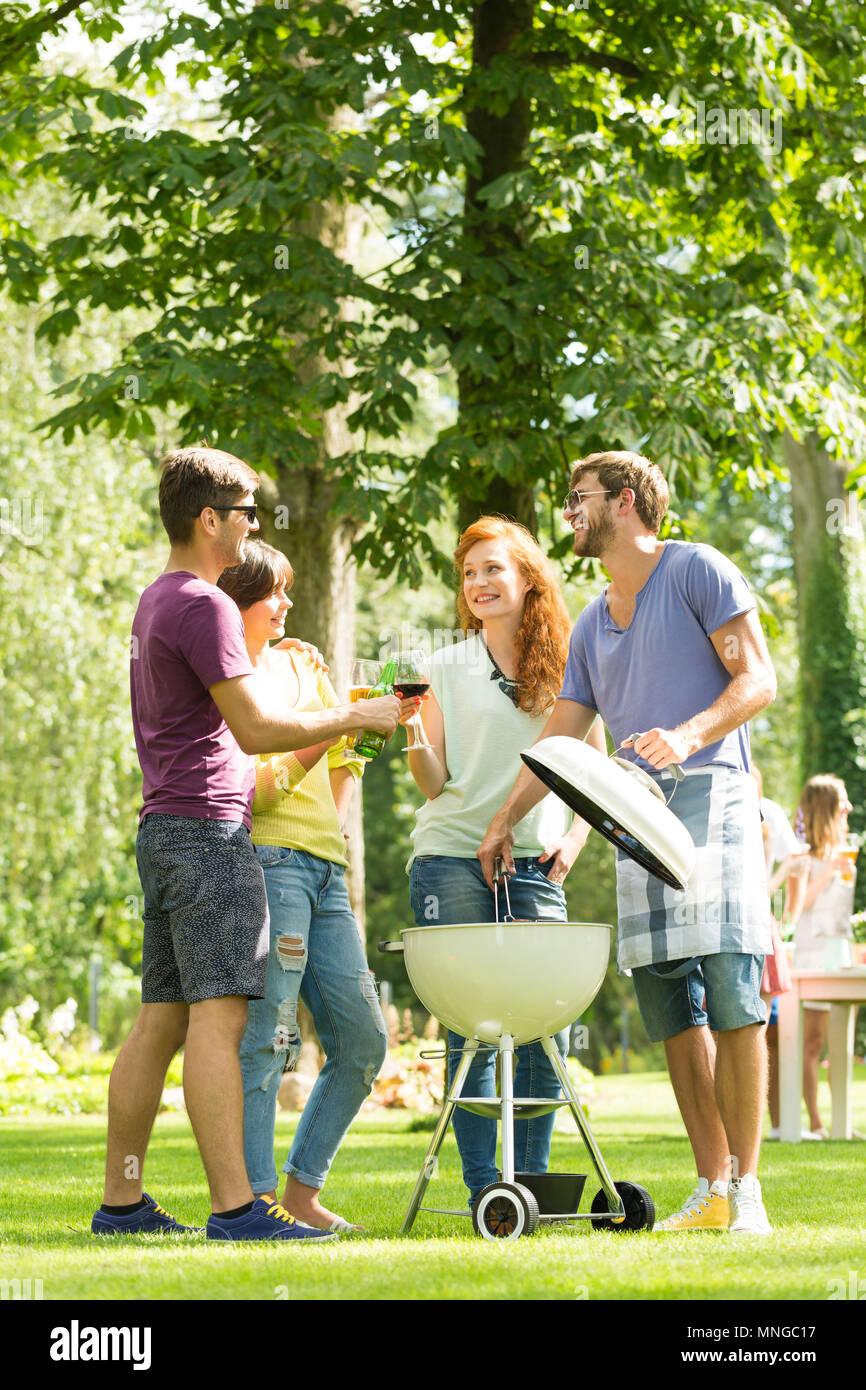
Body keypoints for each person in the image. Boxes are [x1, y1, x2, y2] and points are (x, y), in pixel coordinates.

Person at [92, 446, 399, 1242]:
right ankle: (237, 1211)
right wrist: (354, 718)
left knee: (159, 1020)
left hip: (164, 831)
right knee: (218, 1023)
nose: (255, 525)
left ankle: (121, 1202)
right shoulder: (206, 605)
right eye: (245, 514)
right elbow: (256, 728)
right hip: (208, 832)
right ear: (208, 520)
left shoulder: (157, 600)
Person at [479, 451, 777, 1235]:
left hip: (712, 795)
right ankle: (713, 1188)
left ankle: (748, 1192)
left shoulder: (698, 571)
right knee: (671, 1004)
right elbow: (564, 735)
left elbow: (758, 681)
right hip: (632, 813)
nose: (569, 512)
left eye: (579, 498)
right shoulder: (589, 623)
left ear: (628, 501)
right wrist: (507, 816)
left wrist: (685, 735)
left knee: (734, 991)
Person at [218, 541, 419, 1231]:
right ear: (240, 596)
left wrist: (373, 726)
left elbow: (341, 760)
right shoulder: (225, 676)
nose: (288, 604)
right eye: (275, 592)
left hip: (325, 868)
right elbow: (257, 796)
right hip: (269, 862)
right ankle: (256, 1202)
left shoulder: (304, 661)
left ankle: (301, 1193)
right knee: (270, 1037)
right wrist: (343, 722)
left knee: (363, 1040)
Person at [405, 516, 604, 1209]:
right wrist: (408, 731)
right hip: (450, 857)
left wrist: (575, 841)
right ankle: (486, 1189)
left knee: (543, 1026)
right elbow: (433, 784)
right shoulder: (440, 667)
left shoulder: (570, 665)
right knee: (475, 1028)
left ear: (527, 578)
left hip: (537, 865)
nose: (480, 583)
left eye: (494, 568)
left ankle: (534, 1187)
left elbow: (594, 769)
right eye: (469, 573)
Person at [788, 775, 857, 1138]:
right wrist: (828, 869)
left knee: (841, 1040)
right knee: (812, 1042)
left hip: (840, 952)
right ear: (825, 807)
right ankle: (815, 1122)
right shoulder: (804, 857)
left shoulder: (848, 853)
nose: (847, 807)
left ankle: (842, 1122)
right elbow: (799, 908)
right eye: (841, 800)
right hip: (812, 955)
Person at [750, 764, 802, 1140]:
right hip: (723, 919)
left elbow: (796, 860)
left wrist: (772, 887)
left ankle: (779, 1124)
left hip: (760, 920)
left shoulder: (767, 811)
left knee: (763, 1029)